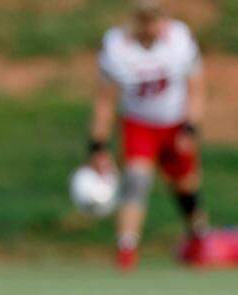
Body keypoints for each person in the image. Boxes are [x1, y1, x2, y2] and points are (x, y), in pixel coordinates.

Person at [88, 0, 206, 271]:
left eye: (155, 19)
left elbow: (196, 88)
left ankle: (198, 238)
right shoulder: (117, 46)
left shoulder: (180, 40)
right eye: (145, 19)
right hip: (139, 123)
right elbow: (105, 100)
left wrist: (191, 127)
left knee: (185, 185)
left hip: (175, 122)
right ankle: (126, 248)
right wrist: (97, 144)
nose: (151, 26)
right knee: (136, 180)